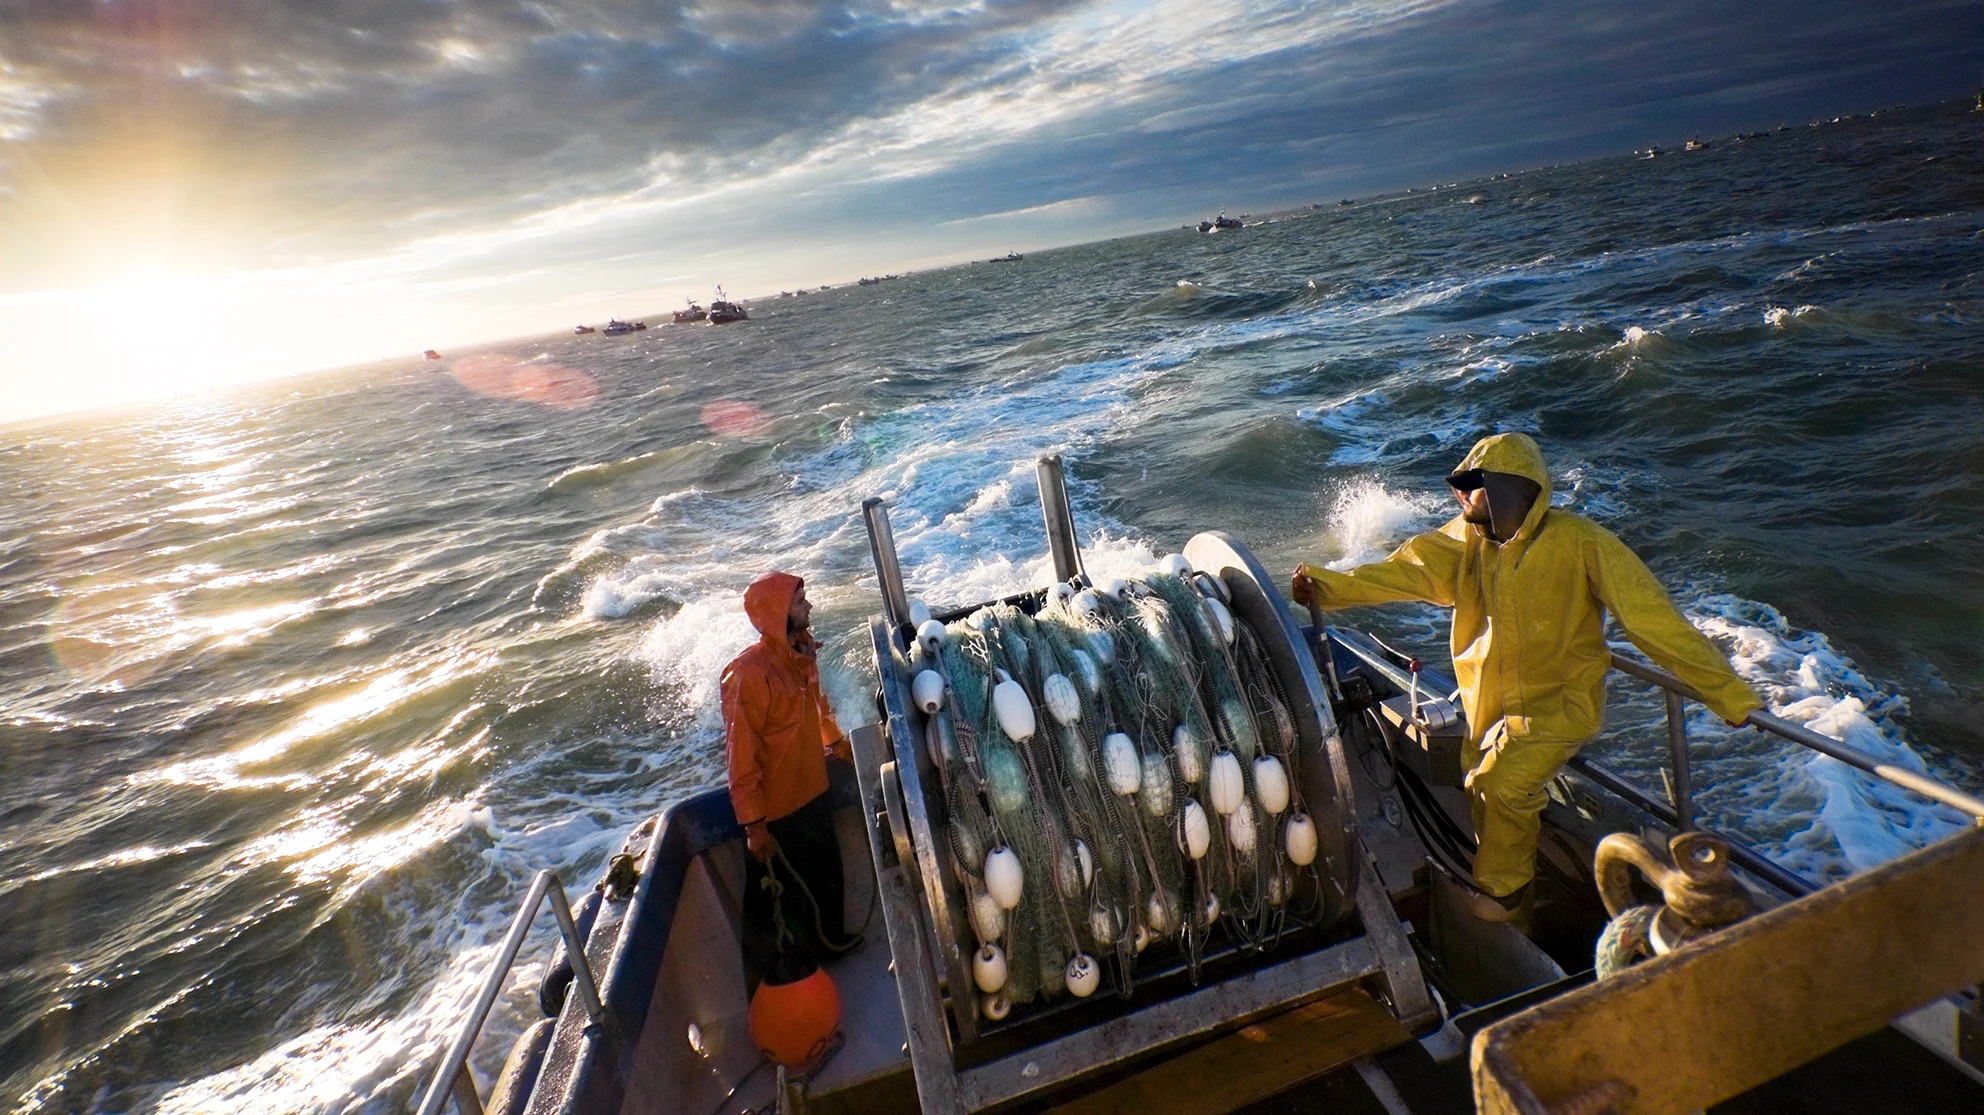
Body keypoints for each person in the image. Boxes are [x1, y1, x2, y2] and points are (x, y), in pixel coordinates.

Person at [1292, 433, 1762, 922]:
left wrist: (1730, 696)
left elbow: (1654, 621)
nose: (1466, 497)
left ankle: (1505, 896)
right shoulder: (1463, 544)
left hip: (1560, 705)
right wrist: (1324, 587)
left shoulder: (1582, 543)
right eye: (1465, 487)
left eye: (1477, 486)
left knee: (1502, 786)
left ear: (1512, 491)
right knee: (1478, 785)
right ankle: (1520, 920)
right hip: (1486, 703)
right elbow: (1397, 574)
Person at [722, 571, 856, 989]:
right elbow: (740, 759)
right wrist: (753, 825)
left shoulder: (803, 654)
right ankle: (768, 992)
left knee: (827, 880)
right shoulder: (748, 676)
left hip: (814, 793)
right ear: (779, 614)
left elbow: (818, 706)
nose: (809, 607)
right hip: (776, 814)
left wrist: (836, 741)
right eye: (800, 602)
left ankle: (830, 947)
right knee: (773, 910)